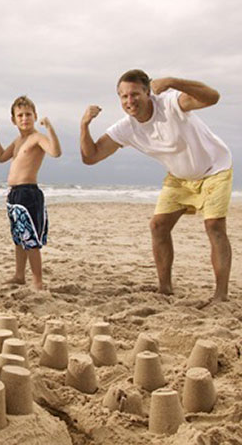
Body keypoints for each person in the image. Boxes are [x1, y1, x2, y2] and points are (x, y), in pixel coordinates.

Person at [80, 69, 232, 302]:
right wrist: (84, 125)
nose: (130, 101)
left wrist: (173, 81)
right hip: (180, 177)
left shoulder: (171, 103)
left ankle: (220, 295)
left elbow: (213, 97)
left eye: (135, 94)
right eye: (124, 96)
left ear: (148, 92)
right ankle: (165, 288)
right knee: (158, 226)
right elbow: (90, 157)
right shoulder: (126, 128)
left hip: (215, 169)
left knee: (214, 226)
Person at [0, 96, 62, 290]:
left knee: (31, 240)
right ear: (13, 119)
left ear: (35, 116)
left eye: (28, 114)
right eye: (20, 115)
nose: (24, 118)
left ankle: (37, 281)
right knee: (18, 238)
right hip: (14, 194)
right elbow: (1, 157)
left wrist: (49, 128)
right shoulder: (18, 140)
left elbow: (55, 152)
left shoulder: (37, 137)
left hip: (28, 193)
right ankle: (19, 275)